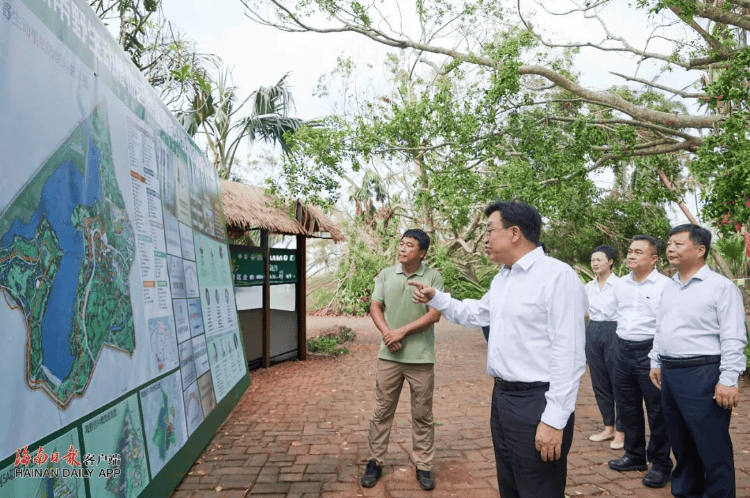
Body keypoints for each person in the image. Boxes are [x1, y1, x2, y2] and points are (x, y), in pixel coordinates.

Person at [409, 200, 587, 498]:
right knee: (511, 485)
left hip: (537, 401)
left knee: (539, 488)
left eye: (489, 230)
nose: (485, 239)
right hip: (503, 398)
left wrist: (555, 420)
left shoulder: (557, 276)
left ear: (514, 232)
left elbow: (568, 354)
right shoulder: (505, 277)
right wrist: (436, 297)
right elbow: (476, 313)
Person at [649, 224, 746, 497]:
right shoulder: (670, 286)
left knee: (712, 447)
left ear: (700, 250)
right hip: (670, 373)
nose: (670, 248)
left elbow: (733, 337)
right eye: (669, 243)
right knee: (682, 446)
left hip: (703, 373)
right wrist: (656, 360)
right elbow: (662, 327)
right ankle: (686, 493)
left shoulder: (720, 288)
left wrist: (728, 380)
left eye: (678, 244)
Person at [360, 229, 444, 491]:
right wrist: (388, 334)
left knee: (422, 414)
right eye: (401, 243)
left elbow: (434, 314)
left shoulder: (432, 277)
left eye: (410, 245)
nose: (403, 248)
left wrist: (401, 332)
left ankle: (423, 465)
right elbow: (375, 307)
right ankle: (375, 461)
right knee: (382, 410)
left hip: (420, 358)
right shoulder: (386, 274)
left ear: (422, 252)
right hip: (389, 357)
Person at [608, 235, 672, 489]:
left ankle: (660, 464)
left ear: (654, 259)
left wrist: (657, 358)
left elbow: (665, 326)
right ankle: (634, 456)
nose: (631, 255)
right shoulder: (620, 285)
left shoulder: (665, 286)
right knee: (627, 406)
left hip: (650, 352)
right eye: (630, 251)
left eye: (638, 252)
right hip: (622, 350)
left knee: (657, 411)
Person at [584, 245, 625, 449]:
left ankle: (621, 431)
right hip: (593, 331)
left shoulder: (621, 285)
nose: (595, 263)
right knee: (599, 382)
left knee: (618, 383)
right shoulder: (588, 287)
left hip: (614, 332)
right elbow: (583, 311)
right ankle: (608, 427)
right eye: (592, 260)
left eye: (599, 259)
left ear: (611, 261)